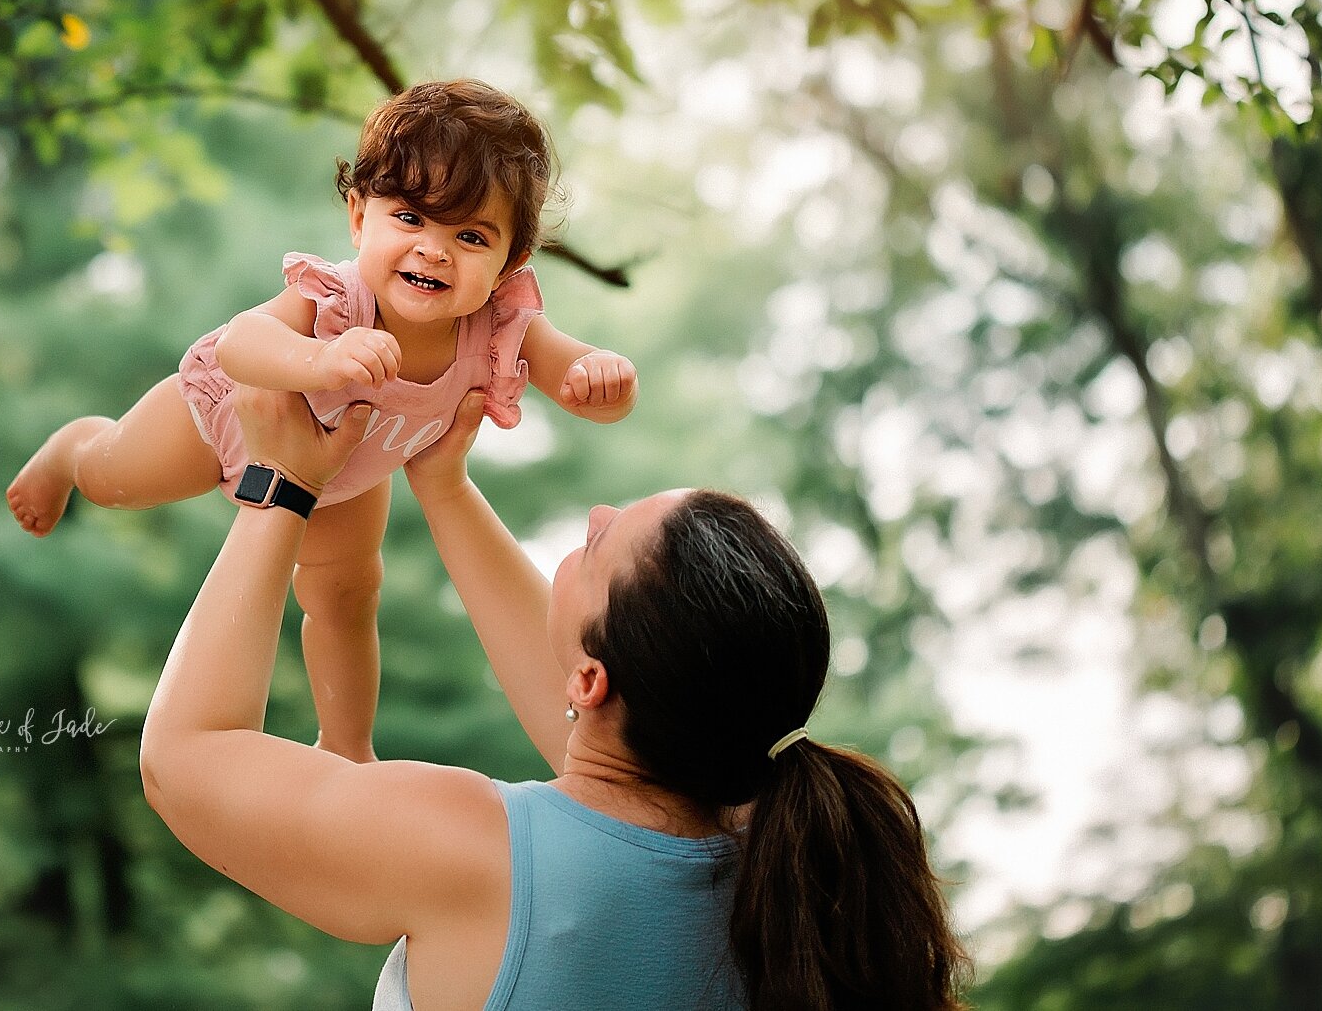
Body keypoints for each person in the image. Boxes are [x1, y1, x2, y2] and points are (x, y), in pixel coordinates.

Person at [139, 382, 971, 1011]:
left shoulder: (475, 850)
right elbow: (602, 749)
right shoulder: (787, 887)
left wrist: (279, 486)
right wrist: (444, 483)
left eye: (603, 538)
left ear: (593, 682)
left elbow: (186, 759)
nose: (598, 511)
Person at [8, 80, 638, 763]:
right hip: (227, 415)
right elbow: (240, 344)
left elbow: (578, 374)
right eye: (410, 218)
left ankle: (346, 745)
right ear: (359, 217)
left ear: (509, 262)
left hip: (345, 470)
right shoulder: (337, 297)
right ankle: (71, 447)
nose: (433, 249)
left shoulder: (500, 325)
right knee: (112, 477)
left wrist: (602, 378)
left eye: (470, 234)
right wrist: (322, 356)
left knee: (348, 593)